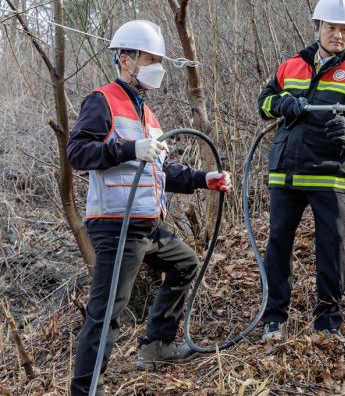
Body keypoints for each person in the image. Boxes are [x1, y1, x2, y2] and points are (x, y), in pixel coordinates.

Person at [67, 20, 232, 395]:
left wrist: (203, 178)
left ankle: (157, 346)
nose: (157, 66)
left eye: (159, 59)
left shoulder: (148, 114)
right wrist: (128, 149)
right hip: (116, 225)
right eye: (150, 58)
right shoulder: (102, 100)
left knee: (185, 263)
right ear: (125, 59)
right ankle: (86, 389)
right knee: (107, 311)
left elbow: (160, 171)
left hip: (148, 225)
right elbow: (77, 153)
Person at [257, 0, 345, 343]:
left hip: (327, 172)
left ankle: (327, 321)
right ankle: (274, 319)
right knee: (278, 242)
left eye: (344, 29)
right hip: (285, 172)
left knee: (331, 244)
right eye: (331, 27)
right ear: (317, 28)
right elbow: (263, 103)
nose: (338, 34)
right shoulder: (290, 66)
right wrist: (283, 104)